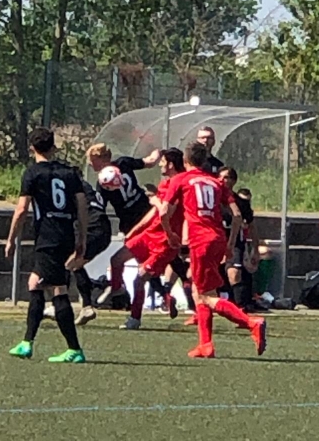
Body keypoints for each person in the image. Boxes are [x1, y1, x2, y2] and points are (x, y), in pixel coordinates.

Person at [160, 142, 267, 359]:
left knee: (204, 297)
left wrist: (170, 234)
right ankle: (205, 345)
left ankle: (251, 323)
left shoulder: (180, 179)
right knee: (203, 291)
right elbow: (237, 215)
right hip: (218, 238)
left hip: (201, 241)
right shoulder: (216, 182)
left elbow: (164, 212)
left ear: (185, 161)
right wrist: (230, 244)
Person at [5, 127, 88, 363]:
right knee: (36, 283)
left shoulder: (32, 173)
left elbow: (22, 209)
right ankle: (27, 342)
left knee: (56, 289)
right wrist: (82, 237)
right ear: (53, 147)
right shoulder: (69, 173)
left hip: (48, 237)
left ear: (32, 148)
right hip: (66, 234)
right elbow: (82, 205)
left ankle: (73, 349)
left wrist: (11, 238)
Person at [118, 147, 185, 330]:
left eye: (162, 162)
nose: (160, 165)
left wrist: (155, 200)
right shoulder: (164, 184)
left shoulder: (180, 184)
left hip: (165, 241)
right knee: (117, 259)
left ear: (170, 164)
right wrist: (135, 230)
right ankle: (117, 291)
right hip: (149, 235)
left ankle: (135, 318)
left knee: (140, 278)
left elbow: (165, 211)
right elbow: (155, 213)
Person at [87, 143, 160, 305]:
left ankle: (119, 290)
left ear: (102, 159)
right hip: (147, 214)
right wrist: (158, 152)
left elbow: (99, 207)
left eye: (92, 160)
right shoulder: (124, 163)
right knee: (149, 261)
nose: (90, 164)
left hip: (132, 225)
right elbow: (150, 162)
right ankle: (164, 294)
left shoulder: (102, 183)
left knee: (140, 262)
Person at [46, 171, 112, 326]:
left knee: (67, 264)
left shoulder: (73, 187)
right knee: (76, 265)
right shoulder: (87, 187)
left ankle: (58, 305)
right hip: (104, 230)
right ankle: (87, 306)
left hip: (91, 228)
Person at [219, 168, 260, 309]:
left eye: (227, 177)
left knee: (234, 273)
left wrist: (255, 249)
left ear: (234, 181)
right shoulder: (212, 200)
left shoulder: (240, 203)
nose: (223, 180)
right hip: (215, 241)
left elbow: (252, 227)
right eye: (220, 177)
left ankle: (240, 307)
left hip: (235, 243)